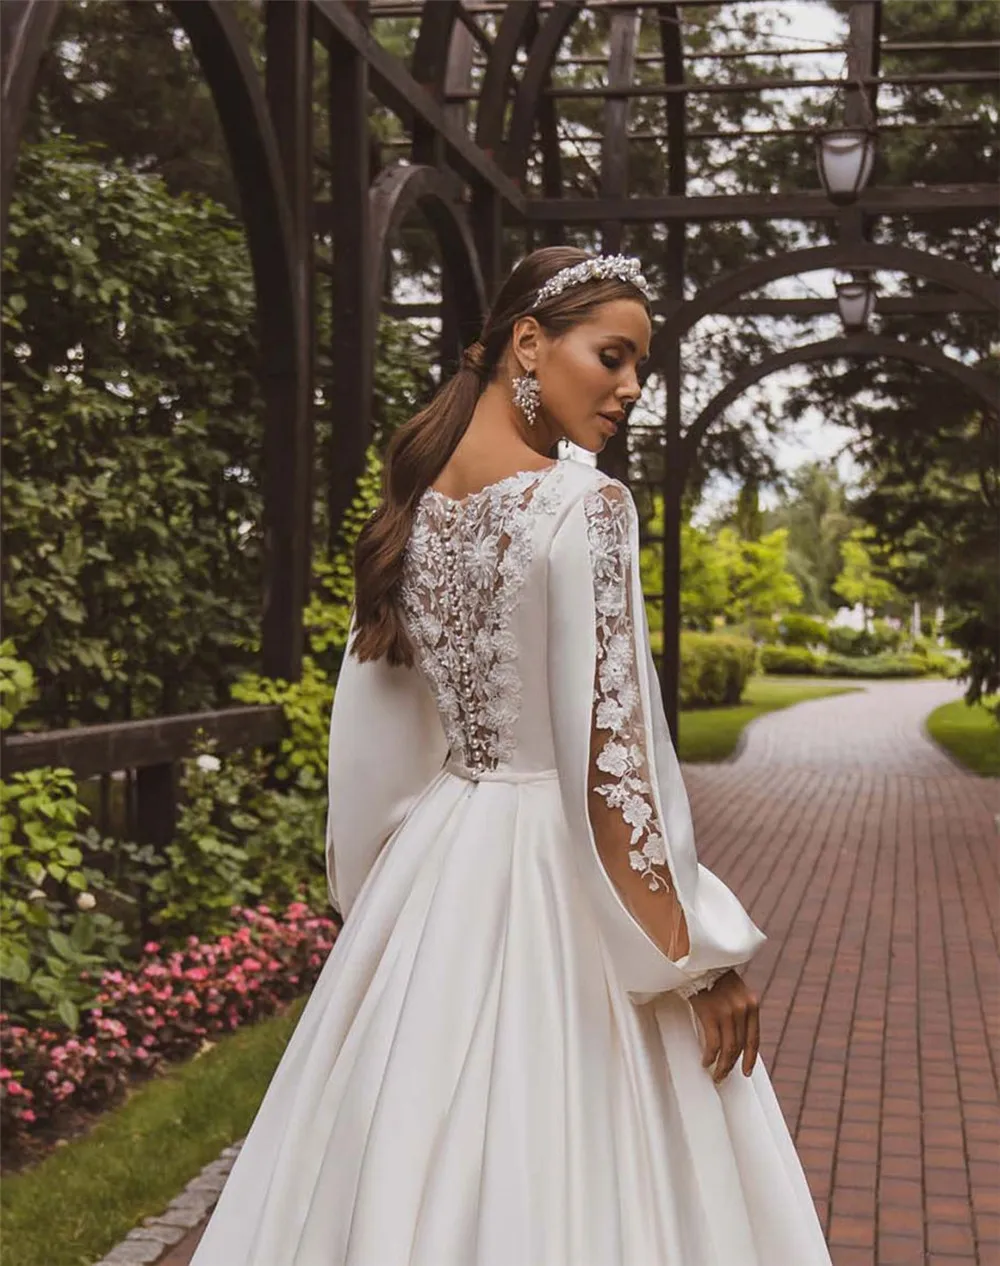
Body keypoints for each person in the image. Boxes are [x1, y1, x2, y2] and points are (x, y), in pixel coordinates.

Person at [191, 247, 831, 1265]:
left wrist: (381, 908)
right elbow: (611, 759)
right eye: (610, 357)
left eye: (640, 370)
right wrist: (692, 958)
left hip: (442, 865)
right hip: (554, 866)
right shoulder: (586, 509)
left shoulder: (410, 513)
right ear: (527, 343)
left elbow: (375, 752)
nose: (628, 388)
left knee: (403, 1152)